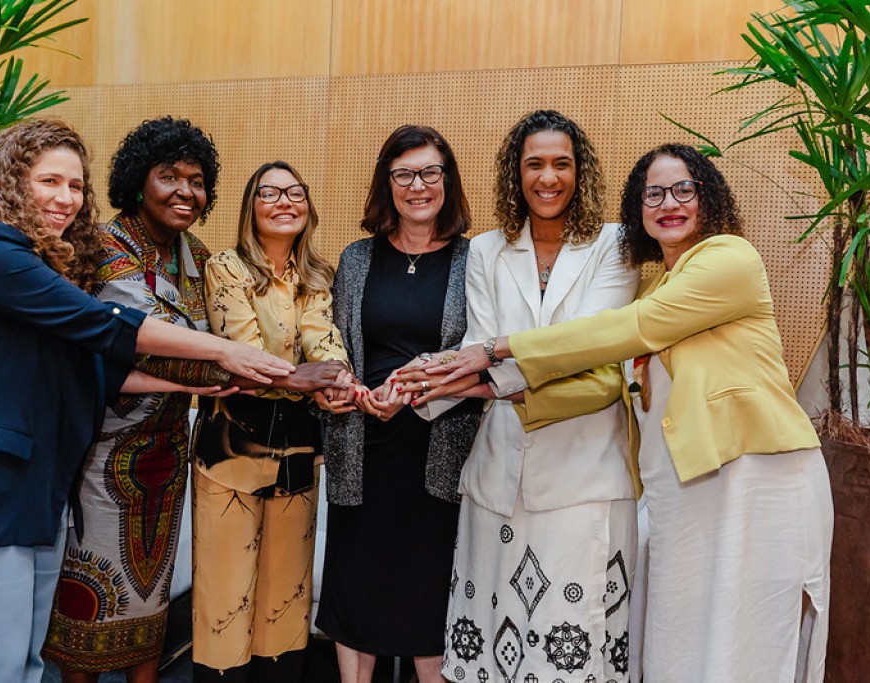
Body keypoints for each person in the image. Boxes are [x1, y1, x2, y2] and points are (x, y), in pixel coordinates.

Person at [0, 118, 299, 683]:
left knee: (25, 662)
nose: (65, 198)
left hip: (35, 486)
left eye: (75, 186)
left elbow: (89, 369)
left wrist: (187, 386)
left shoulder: (45, 262)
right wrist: (227, 351)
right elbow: (102, 323)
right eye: (49, 181)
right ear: (9, 181)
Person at [411, 143, 834, 682]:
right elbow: (607, 381)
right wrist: (480, 386)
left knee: (742, 648)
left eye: (684, 189)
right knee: (678, 652)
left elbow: (628, 329)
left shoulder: (729, 259)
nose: (668, 203)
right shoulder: (656, 282)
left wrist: (496, 348)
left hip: (752, 478)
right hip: (681, 489)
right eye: (653, 194)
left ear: (709, 197)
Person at [41, 120, 347, 683]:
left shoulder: (195, 254)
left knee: (154, 595)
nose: (186, 191)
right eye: (169, 177)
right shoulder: (106, 248)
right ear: (137, 183)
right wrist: (290, 376)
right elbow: (149, 346)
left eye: (197, 181)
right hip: (104, 451)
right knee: (89, 593)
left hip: (169, 447)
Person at [419, 110, 640, 682]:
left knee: (573, 647)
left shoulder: (615, 244)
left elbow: (587, 345)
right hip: (498, 474)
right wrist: (422, 381)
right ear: (515, 174)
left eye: (561, 164)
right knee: (495, 646)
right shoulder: (486, 250)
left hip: (585, 474)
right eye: (534, 164)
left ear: (580, 171)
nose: (548, 177)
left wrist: (484, 364)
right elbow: (476, 345)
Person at [315, 125, 482, 683]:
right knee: (355, 585)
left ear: (447, 181)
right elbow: (336, 345)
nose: (418, 186)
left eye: (430, 172)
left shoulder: (474, 259)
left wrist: (416, 384)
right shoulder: (356, 258)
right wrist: (355, 391)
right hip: (362, 446)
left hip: (440, 449)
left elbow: (483, 346)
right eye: (404, 174)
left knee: (426, 594)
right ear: (386, 183)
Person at [192, 160, 352, 682]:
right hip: (230, 452)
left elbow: (323, 340)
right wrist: (305, 378)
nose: (285, 201)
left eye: (295, 192)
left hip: (298, 450)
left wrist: (338, 382)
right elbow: (244, 356)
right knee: (225, 597)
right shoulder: (226, 268)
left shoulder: (318, 276)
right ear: (250, 209)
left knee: (287, 599)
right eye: (270, 193)